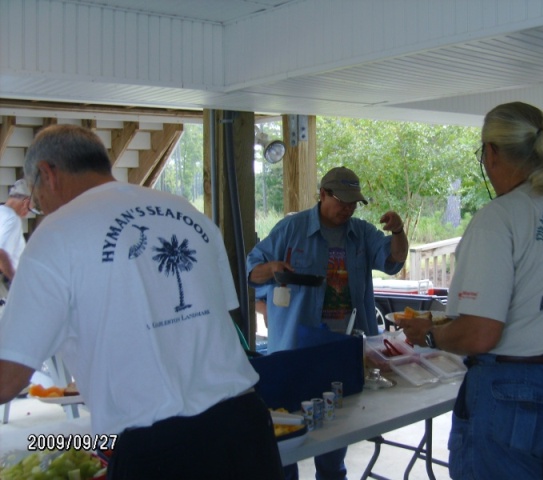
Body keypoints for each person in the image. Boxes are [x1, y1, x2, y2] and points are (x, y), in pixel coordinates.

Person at [0, 125, 284, 480]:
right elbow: (218, 313)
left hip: (160, 450)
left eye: (36, 196)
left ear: (47, 173)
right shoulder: (187, 213)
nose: (40, 208)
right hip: (246, 430)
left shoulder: (53, 237)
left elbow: (8, 379)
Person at [397, 102, 543, 480]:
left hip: (512, 397)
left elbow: (480, 334)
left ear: (492, 154)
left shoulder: (501, 217)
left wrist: (432, 333)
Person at [246, 166, 409, 480]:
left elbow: (393, 261)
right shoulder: (290, 230)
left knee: (335, 438)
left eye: (353, 202)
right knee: (288, 438)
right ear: (322, 194)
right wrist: (274, 269)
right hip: (294, 352)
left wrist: (398, 231)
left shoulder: (361, 233)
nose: (348, 207)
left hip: (344, 352)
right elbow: (251, 271)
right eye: (342, 200)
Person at [0, 179, 31, 308]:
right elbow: (1, 254)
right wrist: (15, 282)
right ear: (26, 203)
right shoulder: (12, 219)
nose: (28, 213)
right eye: (31, 208)